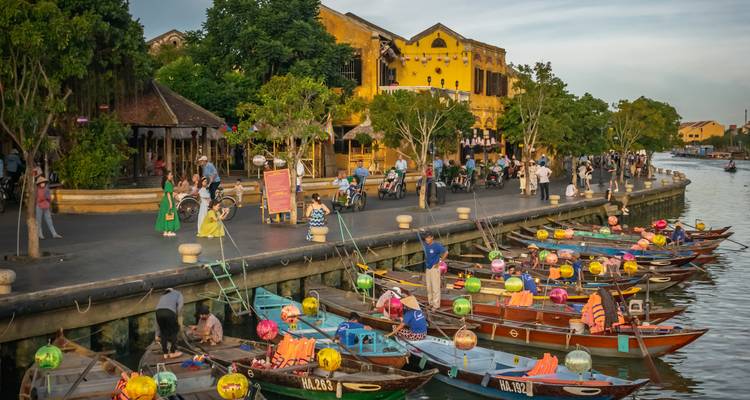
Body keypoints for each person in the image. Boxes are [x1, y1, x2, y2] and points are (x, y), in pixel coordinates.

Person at [422, 231, 447, 310]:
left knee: (435, 287)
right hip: (428, 268)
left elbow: (446, 252)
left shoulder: (436, 246)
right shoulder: (426, 245)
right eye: (426, 238)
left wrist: (440, 262)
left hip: (434, 268)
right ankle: (431, 303)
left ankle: (436, 305)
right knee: (429, 287)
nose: (426, 239)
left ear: (432, 237)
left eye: (428, 238)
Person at [155, 288, 183, 359]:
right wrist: (176, 317)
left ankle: (165, 353)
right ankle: (173, 352)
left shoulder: (163, 296)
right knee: (174, 331)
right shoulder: (179, 294)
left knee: (163, 332)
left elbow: (159, 307)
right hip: (169, 312)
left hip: (158, 312)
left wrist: (156, 334)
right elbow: (180, 307)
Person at [155, 171, 180, 237]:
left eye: (172, 175)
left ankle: (166, 231)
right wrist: (171, 203)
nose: (172, 176)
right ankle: (169, 231)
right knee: (170, 215)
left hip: (165, 202)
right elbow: (168, 194)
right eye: (170, 175)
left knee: (166, 215)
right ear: (167, 176)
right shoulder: (168, 183)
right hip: (168, 201)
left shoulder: (167, 183)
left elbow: (170, 192)